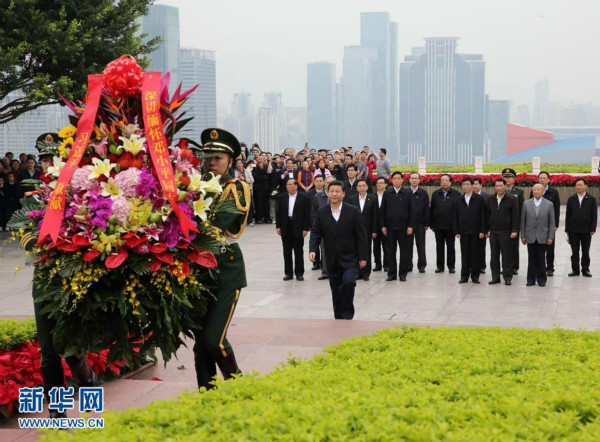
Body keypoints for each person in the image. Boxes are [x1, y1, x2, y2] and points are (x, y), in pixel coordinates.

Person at [193, 128, 251, 390]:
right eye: (208, 157)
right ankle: (208, 394)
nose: (212, 162)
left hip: (225, 269)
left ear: (230, 161)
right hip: (196, 270)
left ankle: (238, 384)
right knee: (201, 342)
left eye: (218, 158)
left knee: (213, 339)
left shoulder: (236, 188)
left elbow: (215, 224)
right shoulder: (195, 185)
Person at [309, 181, 367, 320]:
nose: (334, 194)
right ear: (327, 193)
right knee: (335, 289)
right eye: (331, 191)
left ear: (343, 193)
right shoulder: (322, 212)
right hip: (331, 258)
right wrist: (313, 249)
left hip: (350, 257)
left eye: (337, 191)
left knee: (348, 283)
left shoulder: (352, 211)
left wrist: (363, 257)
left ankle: (347, 314)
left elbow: (361, 236)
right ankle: (338, 317)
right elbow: (316, 232)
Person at [380, 171, 415, 282]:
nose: (396, 180)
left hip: (404, 228)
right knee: (390, 251)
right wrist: (383, 226)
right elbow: (382, 211)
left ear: (402, 180)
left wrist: (410, 226)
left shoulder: (407, 193)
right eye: (394, 178)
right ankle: (392, 273)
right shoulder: (387, 193)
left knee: (404, 252)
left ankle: (403, 274)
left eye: (398, 178)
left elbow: (412, 211)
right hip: (390, 228)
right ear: (391, 180)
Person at [486, 178, 520, 286]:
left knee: (507, 256)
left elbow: (516, 216)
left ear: (505, 186)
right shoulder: (490, 199)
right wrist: (486, 230)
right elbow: (487, 215)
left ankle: (507, 277)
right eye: (497, 186)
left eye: (501, 186)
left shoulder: (512, 199)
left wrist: (515, 230)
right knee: (494, 256)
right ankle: (495, 277)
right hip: (494, 232)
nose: (499, 188)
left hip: (506, 232)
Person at [276, 179, 311, 281]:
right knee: (286, 251)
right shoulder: (282, 197)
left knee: (298, 251)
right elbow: (278, 213)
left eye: (291, 184)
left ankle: (299, 273)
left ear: (296, 186)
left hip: (298, 227)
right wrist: (278, 226)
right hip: (286, 226)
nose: (288, 186)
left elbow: (307, 214)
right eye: (287, 184)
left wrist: (305, 228)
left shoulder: (303, 197)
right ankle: (288, 273)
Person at [521, 183, 555, 287]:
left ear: (543, 191)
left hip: (543, 236)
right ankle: (530, 279)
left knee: (541, 258)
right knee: (531, 259)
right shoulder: (526, 204)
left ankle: (541, 279)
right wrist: (522, 236)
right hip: (530, 235)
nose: (535, 191)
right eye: (534, 189)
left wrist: (550, 237)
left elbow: (551, 222)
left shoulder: (549, 204)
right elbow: (523, 221)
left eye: (538, 189)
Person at [454, 177, 486, 284]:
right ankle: (464, 276)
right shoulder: (458, 199)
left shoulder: (479, 199)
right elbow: (455, 216)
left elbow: (483, 216)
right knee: (465, 254)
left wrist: (482, 230)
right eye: (463, 184)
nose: (465, 186)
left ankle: (475, 276)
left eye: (467, 184)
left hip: (476, 232)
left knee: (475, 254)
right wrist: (457, 231)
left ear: (472, 186)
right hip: (463, 231)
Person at [565, 178, 597, 277]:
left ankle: (585, 269)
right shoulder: (571, 199)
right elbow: (568, 215)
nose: (579, 187)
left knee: (585, 251)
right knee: (574, 251)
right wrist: (567, 229)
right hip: (573, 230)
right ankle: (575, 270)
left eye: (581, 185)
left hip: (586, 230)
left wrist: (592, 229)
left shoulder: (591, 199)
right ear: (575, 186)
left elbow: (594, 215)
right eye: (577, 185)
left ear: (585, 186)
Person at [531, 172, 560, 276]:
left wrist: (555, 224)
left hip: (549, 225)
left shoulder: (554, 192)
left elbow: (557, 209)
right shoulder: (534, 191)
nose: (542, 180)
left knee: (550, 247)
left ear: (548, 180)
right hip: (537, 226)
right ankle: (539, 267)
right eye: (540, 178)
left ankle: (550, 268)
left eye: (544, 178)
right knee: (538, 248)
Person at [348, 179, 378, 281]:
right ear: (356, 188)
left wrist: (374, 230)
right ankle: (357, 272)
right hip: (354, 230)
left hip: (368, 230)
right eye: (359, 186)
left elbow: (375, 216)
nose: (361, 187)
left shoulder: (372, 199)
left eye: (363, 186)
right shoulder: (352, 199)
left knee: (366, 250)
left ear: (367, 187)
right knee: (355, 250)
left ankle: (366, 273)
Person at [430, 174, 460, 274]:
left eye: (446, 180)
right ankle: (440, 266)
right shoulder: (435, 194)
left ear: (450, 182)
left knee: (451, 246)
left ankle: (451, 266)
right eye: (442, 180)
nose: (444, 182)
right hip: (438, 225)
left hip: (451, 226)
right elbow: (432, 210)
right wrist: (432, 224)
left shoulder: (456, 194)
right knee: (439, 246)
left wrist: (457, 226)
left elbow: (458, 211)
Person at [312, 176, 336, 280]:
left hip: (338, 227)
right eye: (327, 183)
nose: (329, 184)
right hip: (323, 228)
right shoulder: (317, 196)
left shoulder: (339, 195)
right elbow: (313, 213)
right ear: (324, 184)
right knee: (324, 250)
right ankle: (325, 271)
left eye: (332, 182)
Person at [503, 168, 524, 275]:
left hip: (514, 224)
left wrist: (519, 225)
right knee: (503, 246)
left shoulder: (519, 192)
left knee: (514, 247)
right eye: (505, 177)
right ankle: (505, 266)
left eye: (509, 177)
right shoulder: (500, 190)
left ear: (514, 178)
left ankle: (514, 267)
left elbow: (521, 209)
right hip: (502, 224)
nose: (507, 179)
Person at [407, 172, 429, 273]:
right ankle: (408, 265)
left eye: (416, 178)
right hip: (408, 224)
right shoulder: (405, 192)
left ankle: (422, 265)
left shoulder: (423, 193)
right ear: (409, 180)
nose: (414, 180)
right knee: (408, 245)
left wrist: (426, 223)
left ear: (419, 180)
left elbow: (426, 209)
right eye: (412, 178)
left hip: (420, 223)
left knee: (421, 245)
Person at [473, 177, 490, 274]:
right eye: (473, 184)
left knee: (481, 248)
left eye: (476, 184)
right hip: (470, 227)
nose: (474, 186)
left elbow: (488, 214)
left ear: (481, 185)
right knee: (471, 248)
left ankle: (481, 266)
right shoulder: (467, 196)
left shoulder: (486, 197)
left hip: (482, 227)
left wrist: (486, 230)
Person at [373, 177, 388, 272]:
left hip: (386, 225)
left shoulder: (389, 195)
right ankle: (378, 264)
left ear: (386, 184)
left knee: (387, 246)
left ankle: (387, 265)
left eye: (381, 183)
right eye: (378, 183)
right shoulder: (372, 197)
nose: (379, 185)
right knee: (376, 246)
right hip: (375, 225)